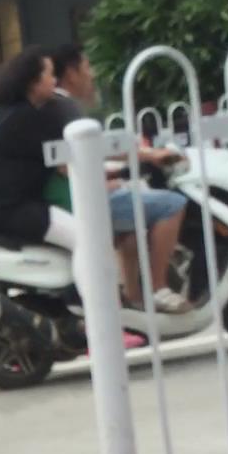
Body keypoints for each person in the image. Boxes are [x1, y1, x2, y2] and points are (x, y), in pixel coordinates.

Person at [51, 45, 191, 314]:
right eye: (87, 67)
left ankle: (134, 297)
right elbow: (66, 164)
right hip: (78, 201)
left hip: (71, 197)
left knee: (130, 226)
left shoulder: (57, 107)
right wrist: (148, 156)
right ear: (71, 73)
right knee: (172, 204)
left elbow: (88, 153)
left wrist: (112, 172)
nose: (92, 74)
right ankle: (158, 288)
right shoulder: (63, 107)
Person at [0, 48, 79, 251]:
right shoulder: (30, 119)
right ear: (33, 82)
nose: (55, 81)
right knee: (85, 238)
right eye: (50, 75)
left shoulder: (7, 113)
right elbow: (67, 164)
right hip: (10, 211)